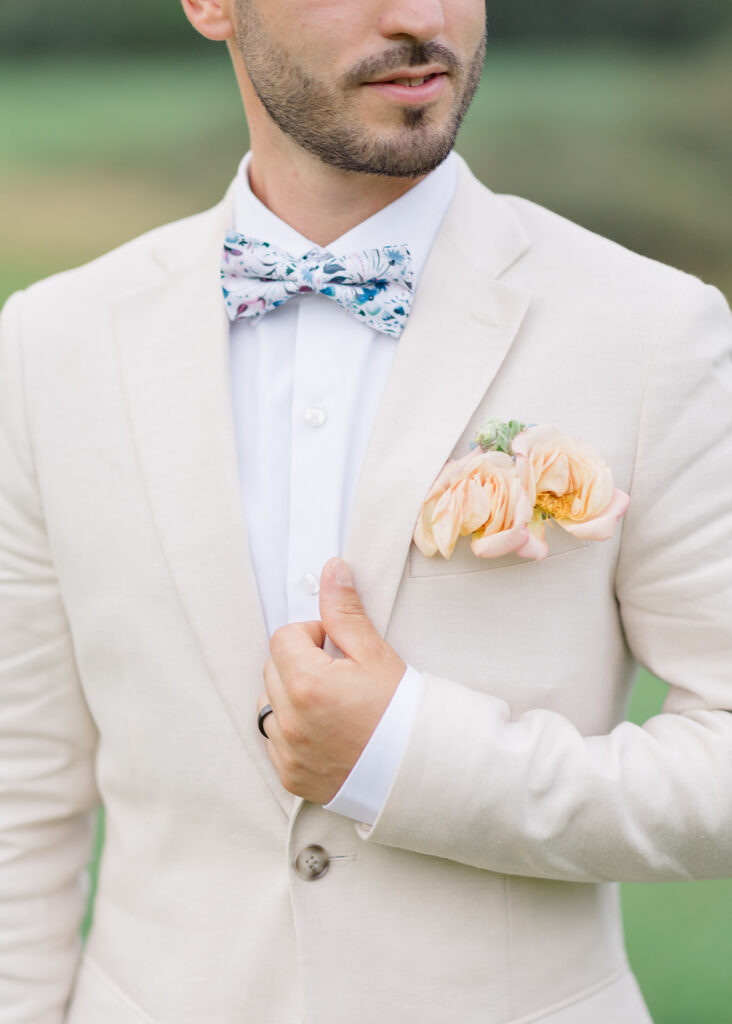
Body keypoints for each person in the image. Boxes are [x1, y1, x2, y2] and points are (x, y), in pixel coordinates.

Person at [1, 0, 730, 1021]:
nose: (420, 16)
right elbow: (20, 792)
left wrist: (407, 758)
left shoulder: (652, 329)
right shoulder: (50, 343)